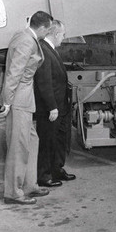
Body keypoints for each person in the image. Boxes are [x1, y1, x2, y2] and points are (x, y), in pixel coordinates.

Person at [0, 10, 53, 205]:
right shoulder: (26, 41)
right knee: (18, 147)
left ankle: (30, 185)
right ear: (41, 27)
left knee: (31, 141)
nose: (48, 34)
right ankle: (13, 193)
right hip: (19, 99)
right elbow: (15, 72)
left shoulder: (23, 36)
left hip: (25, 98)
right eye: (48, 30)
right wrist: (7, 101)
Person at [34, 20, 76, 187]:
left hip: (60, 105)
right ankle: (43, 176)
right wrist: (52, 107)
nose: (63, 38)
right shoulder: (44, 50)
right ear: (55, 34)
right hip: (50, 108)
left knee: (59, 139)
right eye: (63, 35)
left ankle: (57, 169)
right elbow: (44, 83)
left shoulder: (50, 49)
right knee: (47, 141)